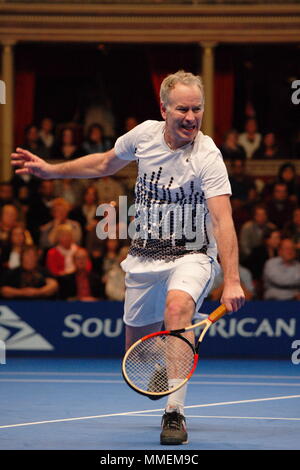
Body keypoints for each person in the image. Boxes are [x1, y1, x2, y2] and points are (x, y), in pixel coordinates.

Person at [11, 70, 245, 446]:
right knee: (136, 350)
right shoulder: (143, 136)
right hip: (144, 258)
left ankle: (174, 414)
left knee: (176, 307)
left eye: (197, 109)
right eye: (182, 108)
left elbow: (222, 219)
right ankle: (168, 349)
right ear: (164, 109)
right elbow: (104, 163)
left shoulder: (208, 157)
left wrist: (231, 279)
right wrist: (51, 172)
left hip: (193, 253)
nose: (190, 117)